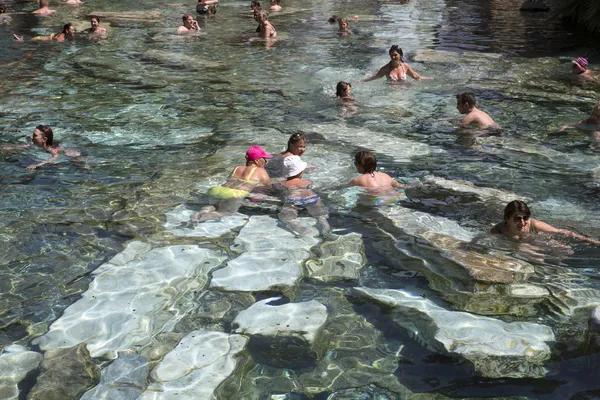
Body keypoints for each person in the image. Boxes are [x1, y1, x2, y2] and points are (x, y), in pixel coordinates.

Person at [194, 146, 272, 221]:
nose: (266, 161)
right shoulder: (261, 172)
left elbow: (230, 180)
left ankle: (198, 214)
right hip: (234, 194)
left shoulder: (237, 168)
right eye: (264, 159)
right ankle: (203, 218)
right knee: (225, 212)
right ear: (257, 160)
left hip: (217, 190)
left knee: (212, 206)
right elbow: (268, 188)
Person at [490, 200, 600, 245]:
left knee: (564, 250)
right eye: (517, 218)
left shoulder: (535, 225)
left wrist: (591, 241)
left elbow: (562, 232)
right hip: (524, 246)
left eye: (525, 217)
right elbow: (482, 240)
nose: (522, 222)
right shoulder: (499, 229)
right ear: (507, 219)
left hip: (537, 242)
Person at [277, 155, 330, 236]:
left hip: (294, 199)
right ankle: (325, 228)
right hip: (312, 198)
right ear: (301, 172)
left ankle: (302, 230)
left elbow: (278, 191)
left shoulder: (282, 183)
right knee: (321, 214)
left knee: (286, 218)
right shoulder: (307, 181)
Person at [0, 125, 81, 169]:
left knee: (79, 162)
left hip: (75, 156)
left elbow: (55, 157)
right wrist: (10, 148)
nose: (31, 137)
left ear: (44, 139)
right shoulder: (37, 143)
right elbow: (27, 146)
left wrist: (38, 165)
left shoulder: (51, 149)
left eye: (34, 135)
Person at [364, 45, 430, 82]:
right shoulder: (386, 69)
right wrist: (361, 82)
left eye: (395, 55)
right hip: (391, 94)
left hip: (404, 92)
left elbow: (416, 77)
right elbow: (375, 77)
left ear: (400, 55)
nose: (393, 57)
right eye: (391, 55)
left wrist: (430, 78)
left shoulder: (405, 66)